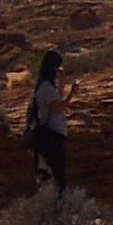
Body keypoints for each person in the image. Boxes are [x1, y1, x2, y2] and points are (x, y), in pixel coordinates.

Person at [25, 50, 69, 192]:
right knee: (58, 179)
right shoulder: (45, 88)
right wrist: (73, 93)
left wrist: (62, 83)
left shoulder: (48, 87)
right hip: (51, 137)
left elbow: (57, 101)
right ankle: (56, 208)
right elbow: (58, 108)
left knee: (58, 177)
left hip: (53, 135)